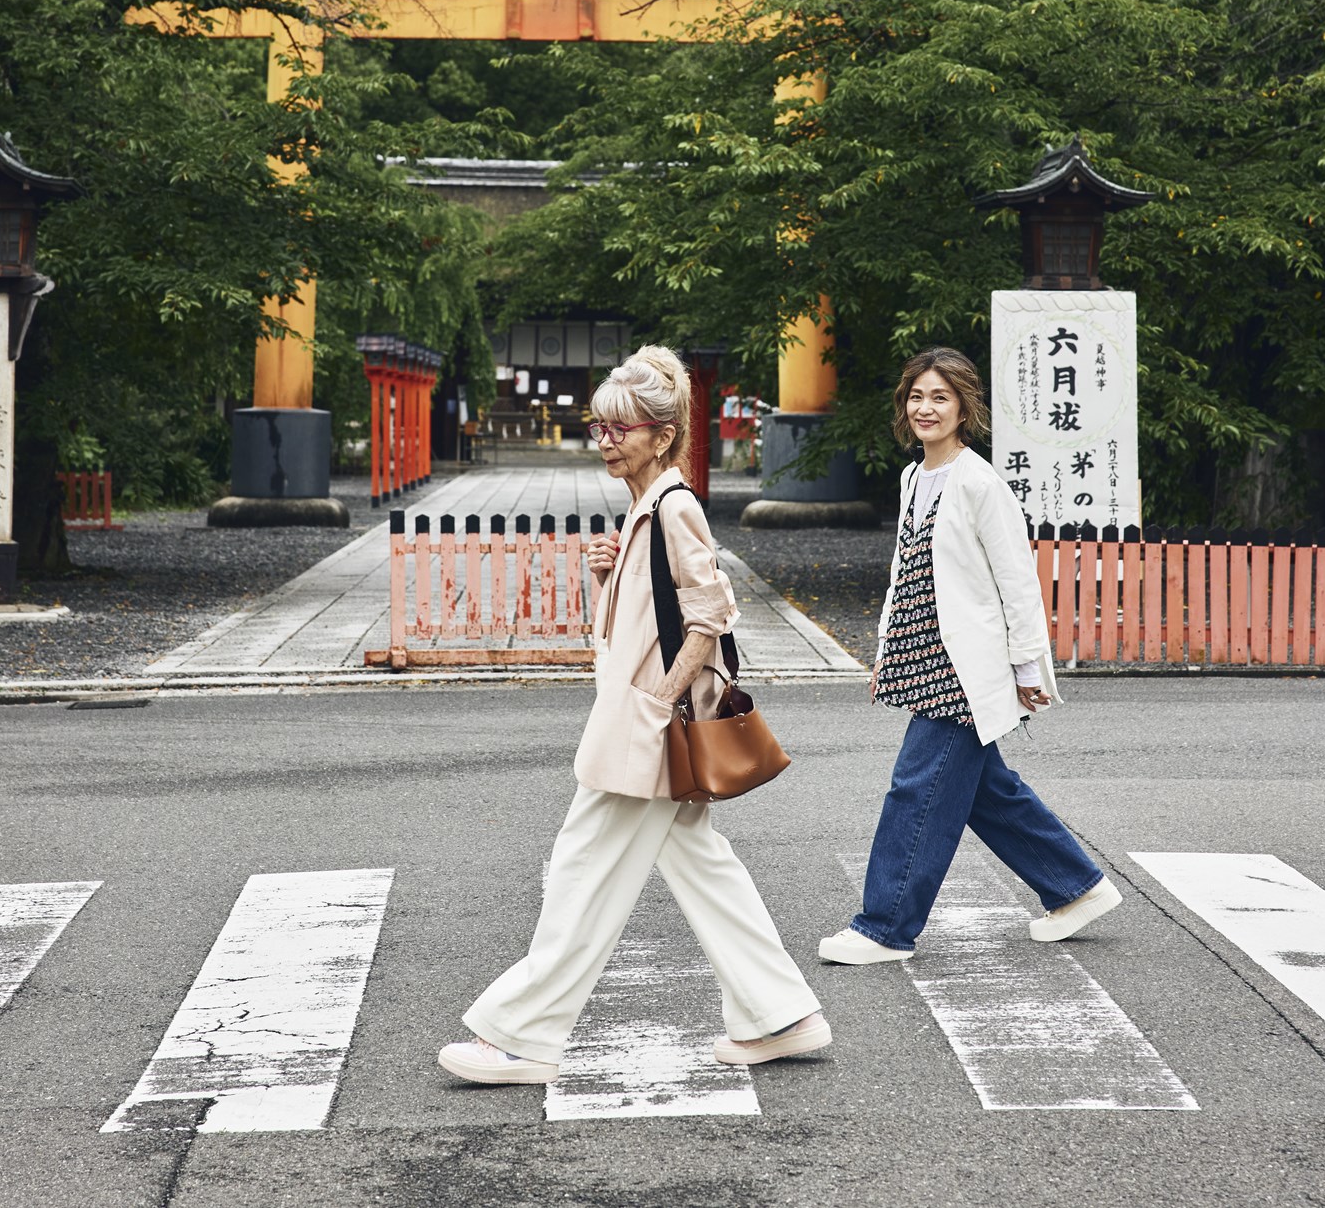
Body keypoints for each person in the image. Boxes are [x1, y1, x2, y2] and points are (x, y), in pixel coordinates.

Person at [440, 344, 830, 1084]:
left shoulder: (675, 505)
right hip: (642, 722)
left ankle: (524, 1037)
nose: (607, 441)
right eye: (601, 426)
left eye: (623, 429)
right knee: (701, 867)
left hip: (646, 728)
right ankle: (783, 1015)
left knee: (582, 873)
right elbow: (651, 618)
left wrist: (656, 702)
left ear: (662, 434)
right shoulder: (648, 505)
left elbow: (712, 613)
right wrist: (608, 574)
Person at [819, 346, 1121, 966]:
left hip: (962, 666)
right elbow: (909, 571)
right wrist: (887, 650)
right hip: (919, 654)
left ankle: (885, 927)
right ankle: (1076, 887)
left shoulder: (980, 481)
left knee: (916, 789)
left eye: (941, 397)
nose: (926, 408)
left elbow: (1017, 581)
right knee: (986, 790)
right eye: (917, 396)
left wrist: (1029, 671)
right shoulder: (912, 477)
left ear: (963, 407)